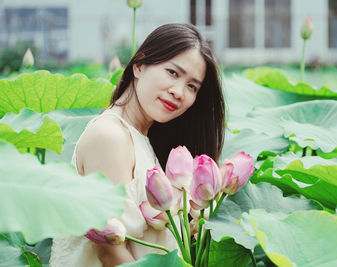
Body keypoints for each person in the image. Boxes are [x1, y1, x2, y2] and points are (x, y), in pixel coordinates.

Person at [50, 23, 225, 266]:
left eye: (192, 86)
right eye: (172, 73)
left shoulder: (145, 139)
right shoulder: (110, 135)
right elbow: (110, 252)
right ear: (139, 66)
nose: (178, 92)